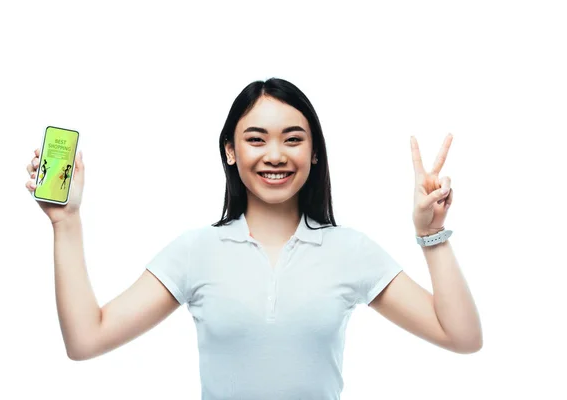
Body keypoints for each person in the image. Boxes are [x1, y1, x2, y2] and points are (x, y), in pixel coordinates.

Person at [24, 77, 482, 400]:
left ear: (315, 151)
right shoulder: (195, 251)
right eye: (257, 139)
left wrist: (432, 233)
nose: (276, 155)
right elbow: (86, 340)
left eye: (293, 138)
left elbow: (461, 337)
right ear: (231, 150)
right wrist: (66, 222)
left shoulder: (350, 251)